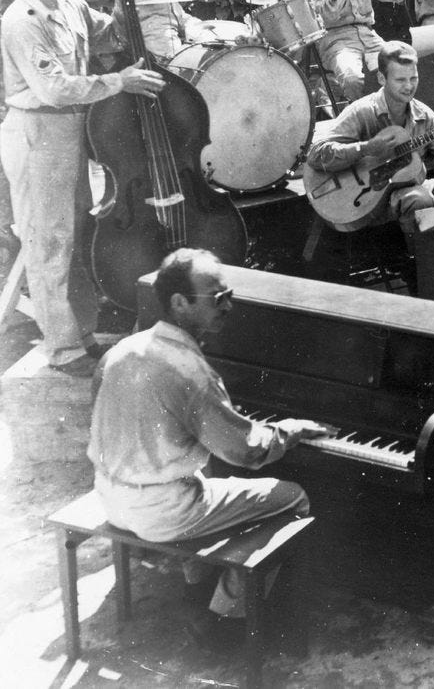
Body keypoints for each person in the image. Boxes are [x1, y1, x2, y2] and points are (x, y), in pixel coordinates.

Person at [88, 249, 332, 637]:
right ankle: (227, 618)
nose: (230, 306)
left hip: (110, 497)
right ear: (179, 304)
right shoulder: (190, 371)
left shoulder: (120, 351)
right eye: (218, 299)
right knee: (294, 497)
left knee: (203, 469)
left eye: (229, 294)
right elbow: (247, 451)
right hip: (164, 513)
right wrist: (293, 429)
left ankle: (196, 584)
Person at [0, 0, 165, 374]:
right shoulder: (20, 22)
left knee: (73, 238)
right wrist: (119, 82)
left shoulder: (71, 5)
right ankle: (61, 347)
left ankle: (81, 333)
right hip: (38, 135)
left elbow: (111, 34)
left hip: (72, 134)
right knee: (48, 243)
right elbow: (53, 89)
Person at [306, 40, 434, 242]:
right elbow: (316, 154)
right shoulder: (362, 111)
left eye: (413, 78)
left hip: (413, 188)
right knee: (418, 198)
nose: (409, 86)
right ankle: (420, 264)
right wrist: (366, 148)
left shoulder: (424, 115)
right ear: (382, 78)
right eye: (400, 80)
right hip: (368, 200)